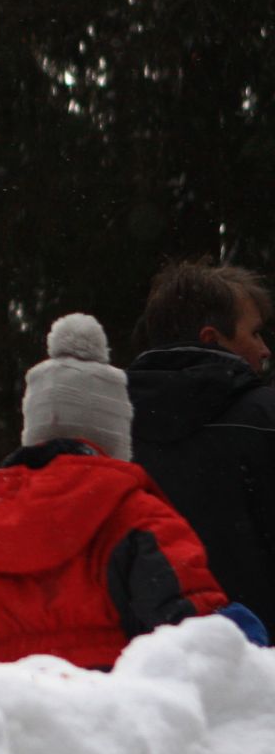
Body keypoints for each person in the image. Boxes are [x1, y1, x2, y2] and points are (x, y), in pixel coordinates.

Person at [0, 313, 264, 669]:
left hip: (11, 715)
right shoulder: (141, 518)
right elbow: (194, 637)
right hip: (111, 712)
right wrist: (246, 632)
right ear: (115, 432)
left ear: (33, 427)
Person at [127, 260, 275, 623]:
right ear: (212, 338)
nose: (265, 349)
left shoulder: (112, 430)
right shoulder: (267, 418)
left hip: (152, 662)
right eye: (255, 333)